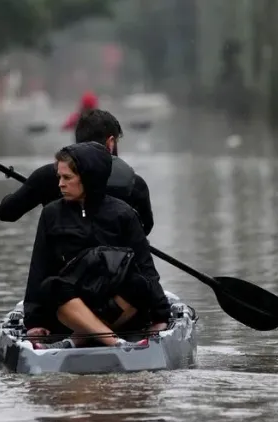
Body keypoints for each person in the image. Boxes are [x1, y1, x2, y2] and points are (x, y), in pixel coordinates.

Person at [22, 143, 171, 349]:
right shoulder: (51, 214)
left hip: (115, 305)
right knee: (51, 286)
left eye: (67, 178)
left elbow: (147, 268)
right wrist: (34, 322)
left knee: (139, 283)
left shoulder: (124, 214)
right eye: (59, 177)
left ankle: (79, 338)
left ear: (88, 178)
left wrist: (160, 317)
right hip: (71, 305)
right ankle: (115, 342)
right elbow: (38, 268)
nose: (60, 184)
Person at [0, 109, 155, 236]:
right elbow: (145, 229)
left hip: (64, 271)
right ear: (111, 143)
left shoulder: (47, 177)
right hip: (117, 271)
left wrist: (27, 190)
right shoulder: (135, 184)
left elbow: (6, 213)